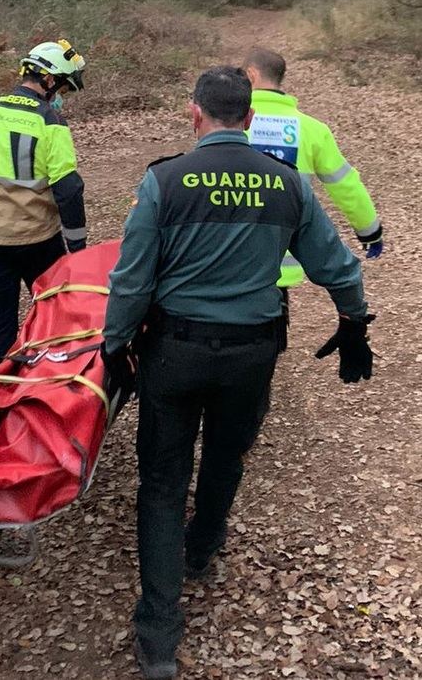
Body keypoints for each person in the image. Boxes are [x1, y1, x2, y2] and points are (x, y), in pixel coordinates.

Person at [101, 66, 375, 680]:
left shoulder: (163, 181)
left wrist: (115, 346)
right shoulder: (288, 185)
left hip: (173, 352)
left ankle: (159, 632)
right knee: (226, 456)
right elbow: (339, 266)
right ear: (250, 118)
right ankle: (202, 548)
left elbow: (132, 277)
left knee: (163, 481)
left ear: (194, 113)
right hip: (252, 353)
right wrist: (355, 322)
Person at [0, 39, 87, 364]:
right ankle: (51, 386)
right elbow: (67, 189)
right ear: (49, 81)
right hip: (39, 239)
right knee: (55, 316)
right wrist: (77, 249)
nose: (61, 95)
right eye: (63, 86)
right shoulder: (50, 122)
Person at [244, 47, 383, 292]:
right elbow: (345, 185)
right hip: (281, 256)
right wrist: (369, 230)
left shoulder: (226, 122)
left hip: (229, 254)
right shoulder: (311, 129)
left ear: (251, 75)